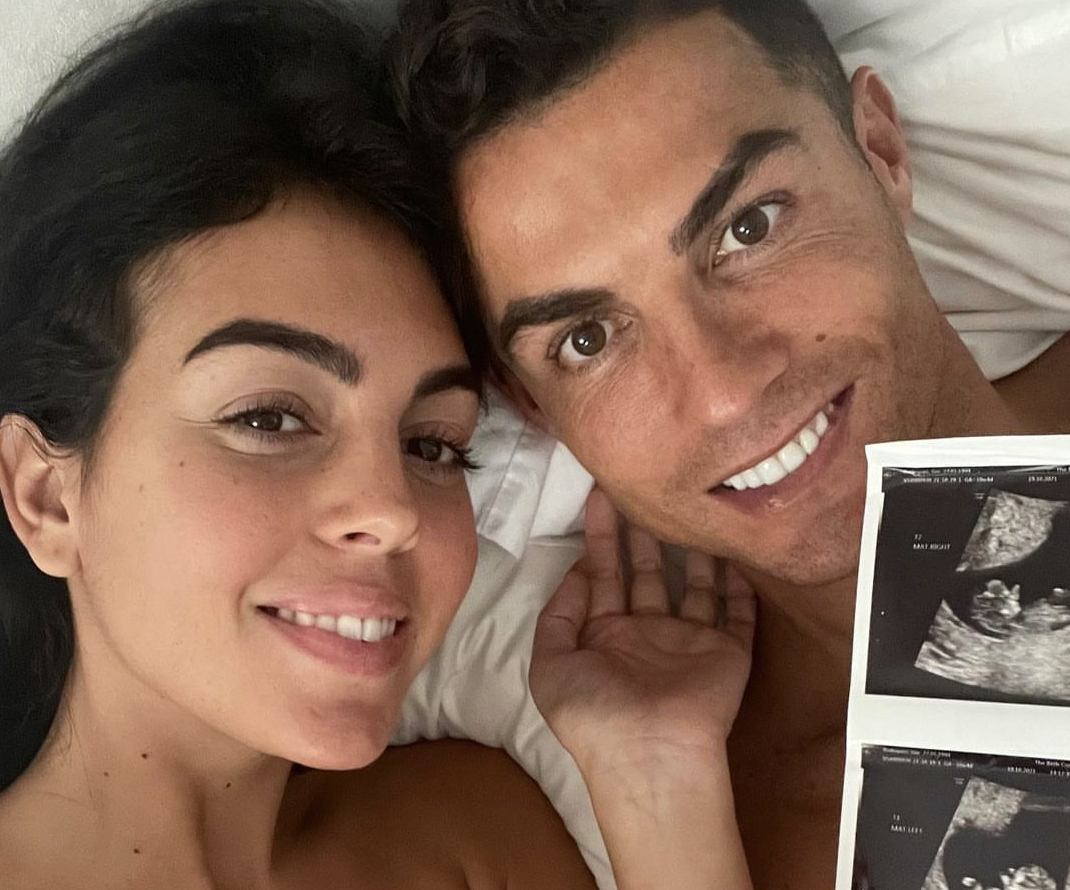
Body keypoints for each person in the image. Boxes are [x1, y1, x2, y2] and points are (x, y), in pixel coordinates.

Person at [390, 0, 1070, 886]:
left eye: (748, 228)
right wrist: (659, 791)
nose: (722, 394)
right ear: (533, 405)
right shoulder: (752, 835)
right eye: (588, 340)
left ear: (881, 153)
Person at [0, 1, 759, 887]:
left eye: (433, 445)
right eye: (269, 419)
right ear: (45, 497)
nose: (394, 512)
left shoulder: (470, 838)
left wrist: (659, 786)